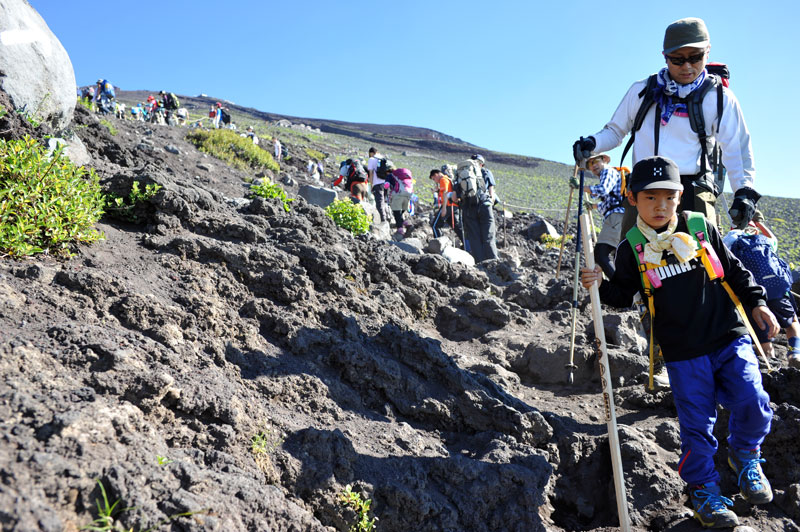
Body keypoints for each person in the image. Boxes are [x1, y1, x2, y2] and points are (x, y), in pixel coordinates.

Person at [581, 155, 777, 529]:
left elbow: (734, 270)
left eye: (669, 197)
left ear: (681, 196)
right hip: (682, 351)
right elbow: (624, 293)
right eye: (650, 198)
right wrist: (600, 286)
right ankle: (704, 491)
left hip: (727, 334)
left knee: (754, 400)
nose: (660, 206)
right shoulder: (632, 247)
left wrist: (758, 304)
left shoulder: (700, 227)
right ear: (632, 198)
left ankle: (745, 455)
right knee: (696, 425)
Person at [572, 17, 761, 236]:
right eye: (677, 59)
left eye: (695, 57)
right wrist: (592, 143)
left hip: (692, 190)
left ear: (707, 52)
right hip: (644, 188)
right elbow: (615, 131)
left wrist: (744, 191)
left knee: (701, 264)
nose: (687, 66)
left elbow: (736, 149)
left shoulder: (719, 98)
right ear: (665, 57)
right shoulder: (642, 91)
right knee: (632, 261)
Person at [723, 216, 800, 368]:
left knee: (762, 333)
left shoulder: (731, 240)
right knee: (792, 322)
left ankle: (770, 364)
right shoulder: (764, 241)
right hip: (777, 290)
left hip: (751, 295)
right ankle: (794, 352)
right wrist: (759, 223)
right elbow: (774, 239)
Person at [571, 153, 624, 278]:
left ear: (604, 160)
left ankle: (619, 287)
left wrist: (580, 187)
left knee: (601, 254)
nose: (593, 166)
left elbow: (603, 189)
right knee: (617, 256)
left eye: (595, 162)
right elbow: (609, 202)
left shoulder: (608, 171)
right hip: (617, 217)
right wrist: (593, 206)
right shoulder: (609, 174)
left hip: (615, 218)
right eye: (590, 164)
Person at [461, 154, 498, 262]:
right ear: (482, 164)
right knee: (488, 235)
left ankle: (480, 263)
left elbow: (455, 196)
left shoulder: (463, 173)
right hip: (484, 205)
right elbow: (491, 190)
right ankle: (493, 263)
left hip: (469, 207)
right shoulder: (486, 172)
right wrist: (490, 201)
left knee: (474, 238)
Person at [429, 169, 463, 243]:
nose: (435, 181)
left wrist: (444, 208)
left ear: (436, 174)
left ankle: (438, 245)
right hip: (454, 206)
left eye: (434, 179)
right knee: (457, 227)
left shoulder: (443, 180)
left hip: (448, 205)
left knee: (435, 225)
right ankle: (467, 244)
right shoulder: (447, 179)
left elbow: (445, 193)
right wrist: (437, 190)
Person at [389, 167, 414, 235]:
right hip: (408, 196)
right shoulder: (407, 178)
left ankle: (400, 229)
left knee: (397, 212)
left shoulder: (392, 176)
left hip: (398, 196)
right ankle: (406, 223)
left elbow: (388, 185)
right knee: (402, 212)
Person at [366, 147, 389, 223]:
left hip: (377, 183)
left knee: (379, 203)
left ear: (371, 153)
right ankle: (386, 217)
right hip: (385, 183)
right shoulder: (382, 158)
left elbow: (371, 173)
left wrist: (371, 184)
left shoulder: (371, 159)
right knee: (383, 201)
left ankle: (383, 220)